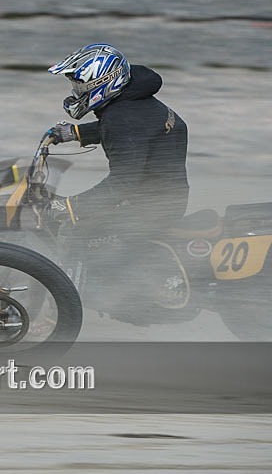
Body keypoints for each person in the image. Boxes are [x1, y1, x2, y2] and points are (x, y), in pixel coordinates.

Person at [45, 43, 190, 309]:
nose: (75, 92)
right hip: (163, 194)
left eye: (79, 86)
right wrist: (76, 133)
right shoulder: (136, 98)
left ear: (102, 83)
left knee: (78, 233)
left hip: (152, 206)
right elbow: (138, 129)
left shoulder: (121, 117)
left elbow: (123, 181)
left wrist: (70, 206)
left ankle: (68, 307)